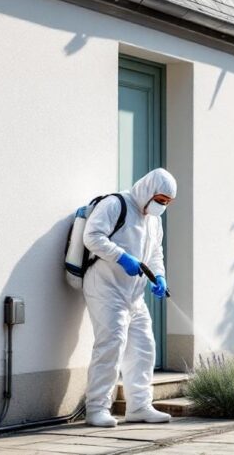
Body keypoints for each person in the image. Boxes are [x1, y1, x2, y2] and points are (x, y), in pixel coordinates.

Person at [81, 168, 175, 427]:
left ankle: (139, 406)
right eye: (160, 199)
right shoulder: (115, 204)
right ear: (147, 190)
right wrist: (121, 257)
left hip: (134, 294)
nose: (162, 206)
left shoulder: (153, 221)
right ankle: (97, 408)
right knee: (111, 345)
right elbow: (92, 237)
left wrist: (159, 276)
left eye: (167, 202)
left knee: (144, 347)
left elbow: (155, 254)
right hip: (105, 287)